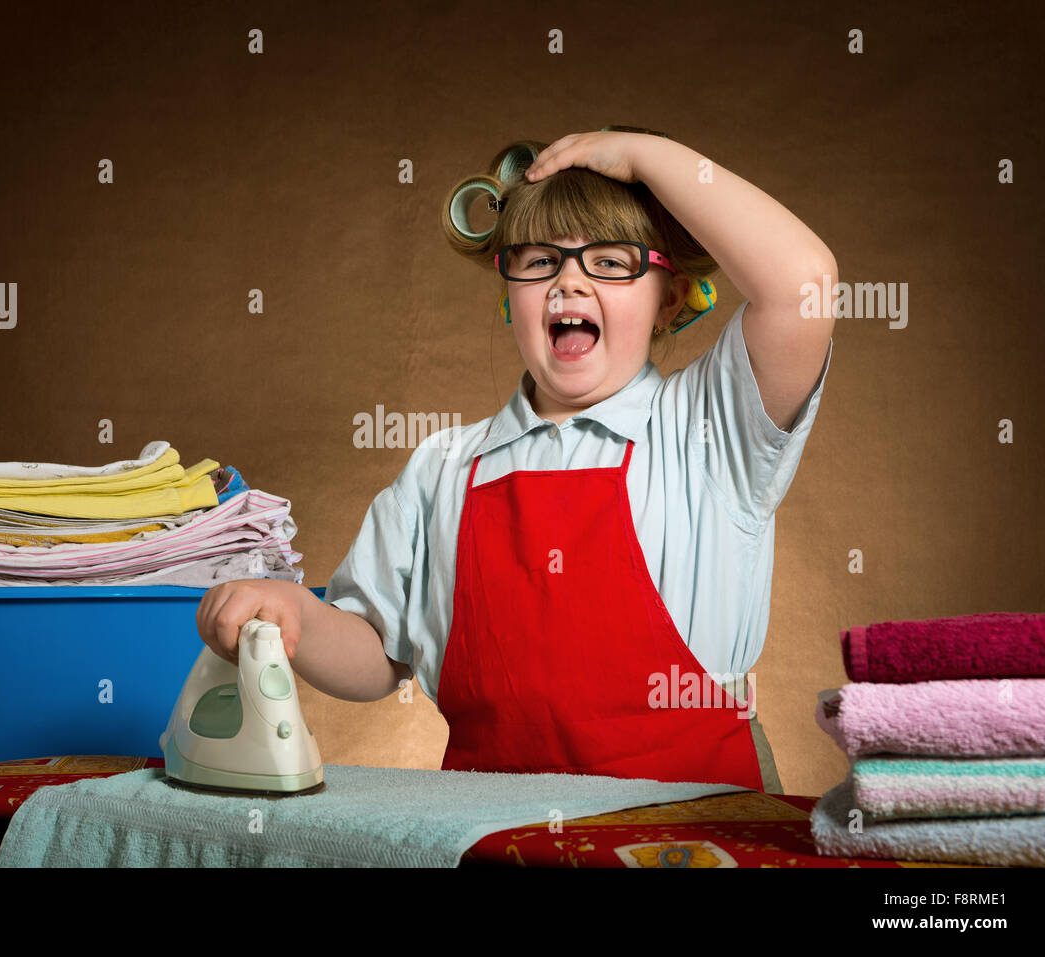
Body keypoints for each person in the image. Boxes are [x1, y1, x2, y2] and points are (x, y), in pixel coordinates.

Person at [195, 129, 836, 792]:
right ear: (510, 296)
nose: (569, 281)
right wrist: (296, 613)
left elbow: (803, 286)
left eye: (611, 262)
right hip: (491, 828)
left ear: (667, 302)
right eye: (539, 260)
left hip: (689, 827)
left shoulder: (707, 426)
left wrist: (645, 155)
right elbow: (376, 653)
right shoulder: (442, 467)